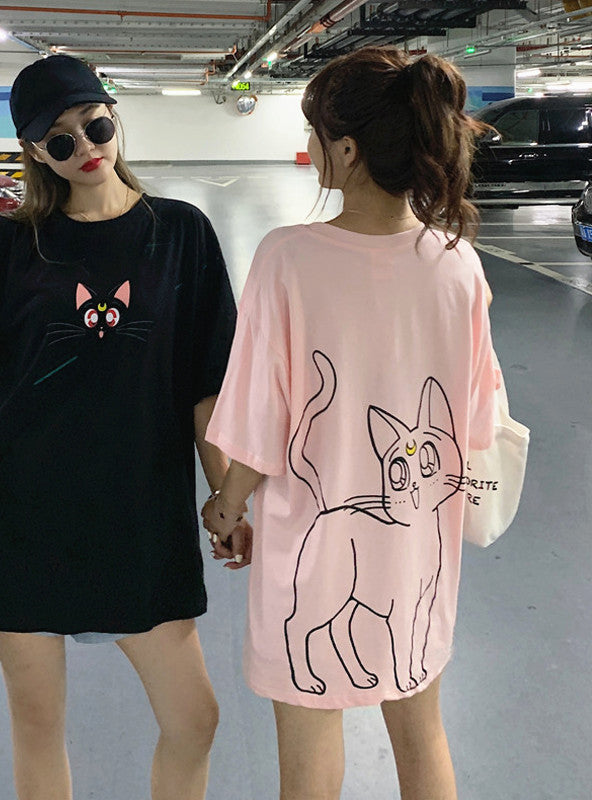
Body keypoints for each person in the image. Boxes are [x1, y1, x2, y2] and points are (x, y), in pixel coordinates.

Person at [0, 54, 243, 800]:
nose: (85, 147)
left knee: (194, 720)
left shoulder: (181, 233)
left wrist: (225, 495)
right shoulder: (10, 245)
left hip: (141, 518)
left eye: (95, 125)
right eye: (60, 140)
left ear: (113, 115)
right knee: (37, 727)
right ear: (35, 151)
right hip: (25, 516)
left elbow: (207, 385)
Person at [201, 46, 499, 800]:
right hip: (422, 546)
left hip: (315, 540)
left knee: (309, 737)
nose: (310, 146)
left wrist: (227, 507)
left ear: (348, 148)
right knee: (422, 733)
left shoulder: (287, 259)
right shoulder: (457, 264)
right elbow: (474, 420)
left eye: (315, 131)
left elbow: (262, 421)